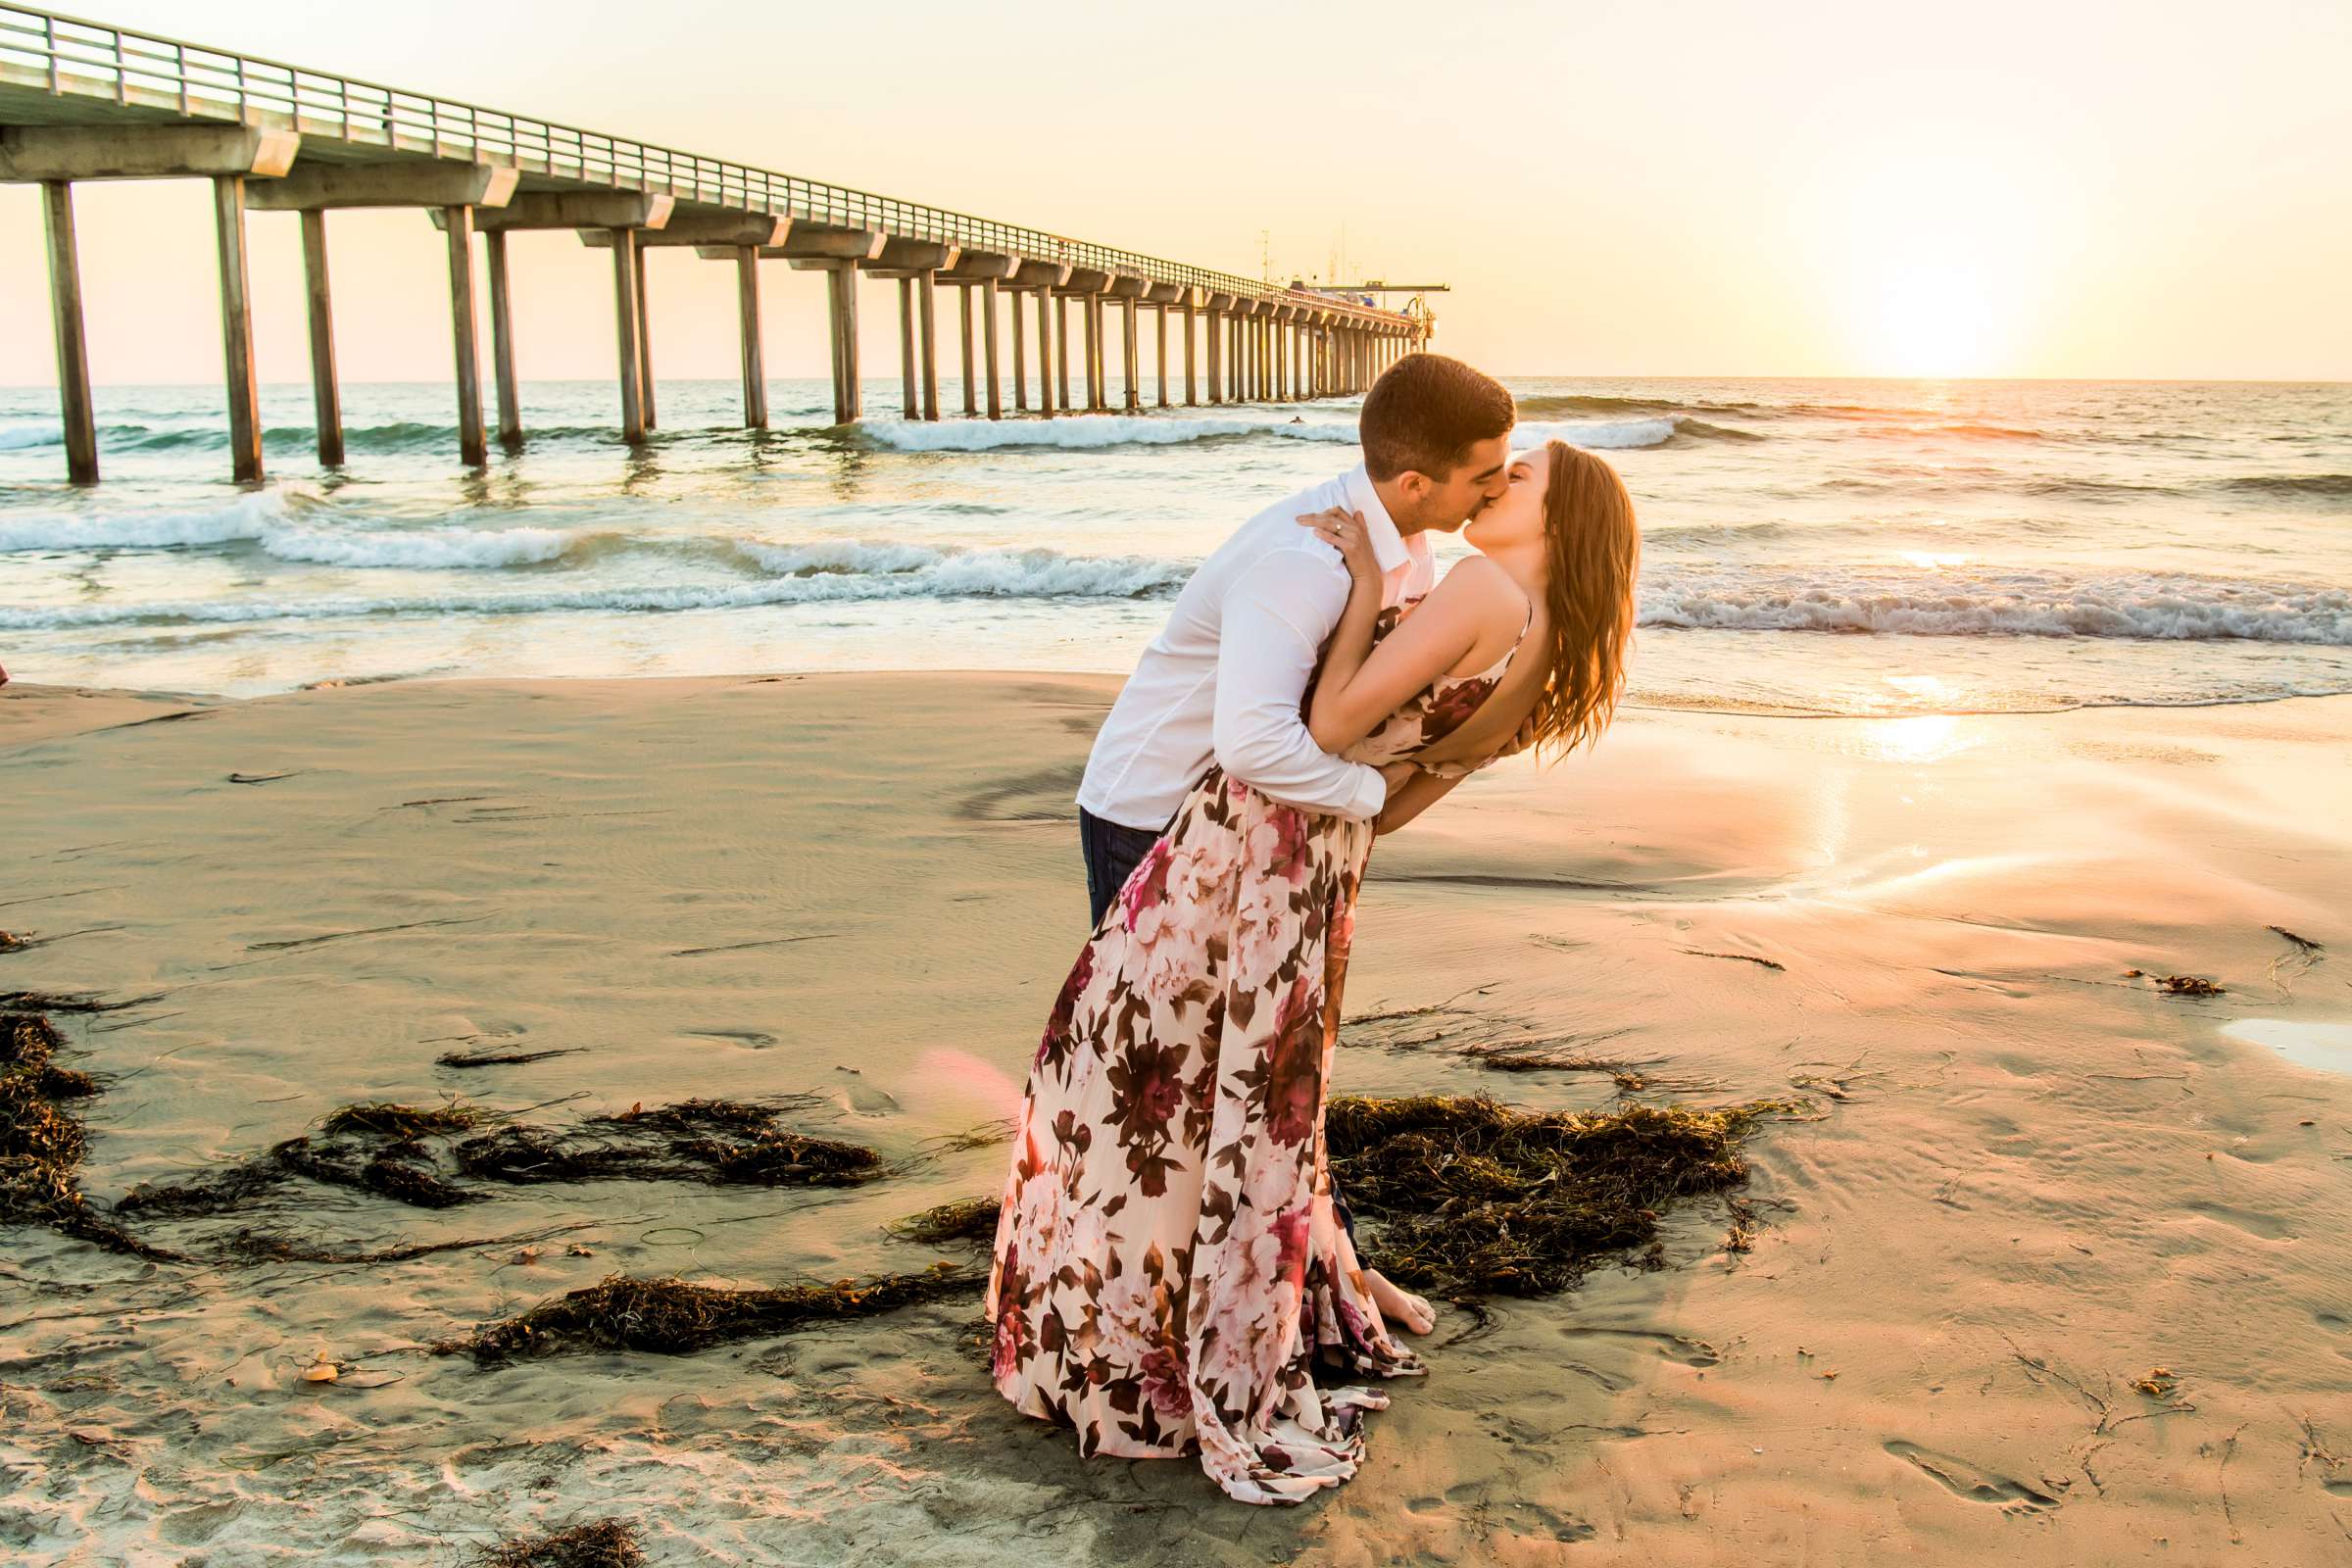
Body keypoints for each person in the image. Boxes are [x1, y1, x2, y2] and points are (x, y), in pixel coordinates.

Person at [986, 432, 1643, 1504]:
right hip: (1322, 867)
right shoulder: (1553, 645)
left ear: (1560, 521)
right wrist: (1342, 836)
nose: (1497, 481)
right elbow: (1414, 788)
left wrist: (1369, 588)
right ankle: (1262, 1289)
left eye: (1518, 477)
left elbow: (1328, 723)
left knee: (1131, 1084)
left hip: (1248, 841)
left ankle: (1134, 1341)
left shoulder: (1475, 588)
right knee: (1257, 1104)